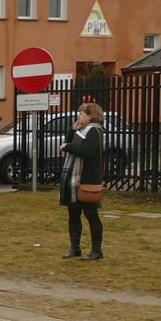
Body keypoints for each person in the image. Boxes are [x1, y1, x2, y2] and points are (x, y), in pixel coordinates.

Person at [59, 101, 105, 259]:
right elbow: (69, 140)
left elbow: (87, 151)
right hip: (74, 179)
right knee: (73, 213)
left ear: (91, 116)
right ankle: (75, 247)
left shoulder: (94, 131)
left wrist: (67, 147)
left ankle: (97, 250)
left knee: (91, 214)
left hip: (87, 178)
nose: (79, 115)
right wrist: (73, 129)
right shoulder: (82, 129)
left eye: (82, 113)